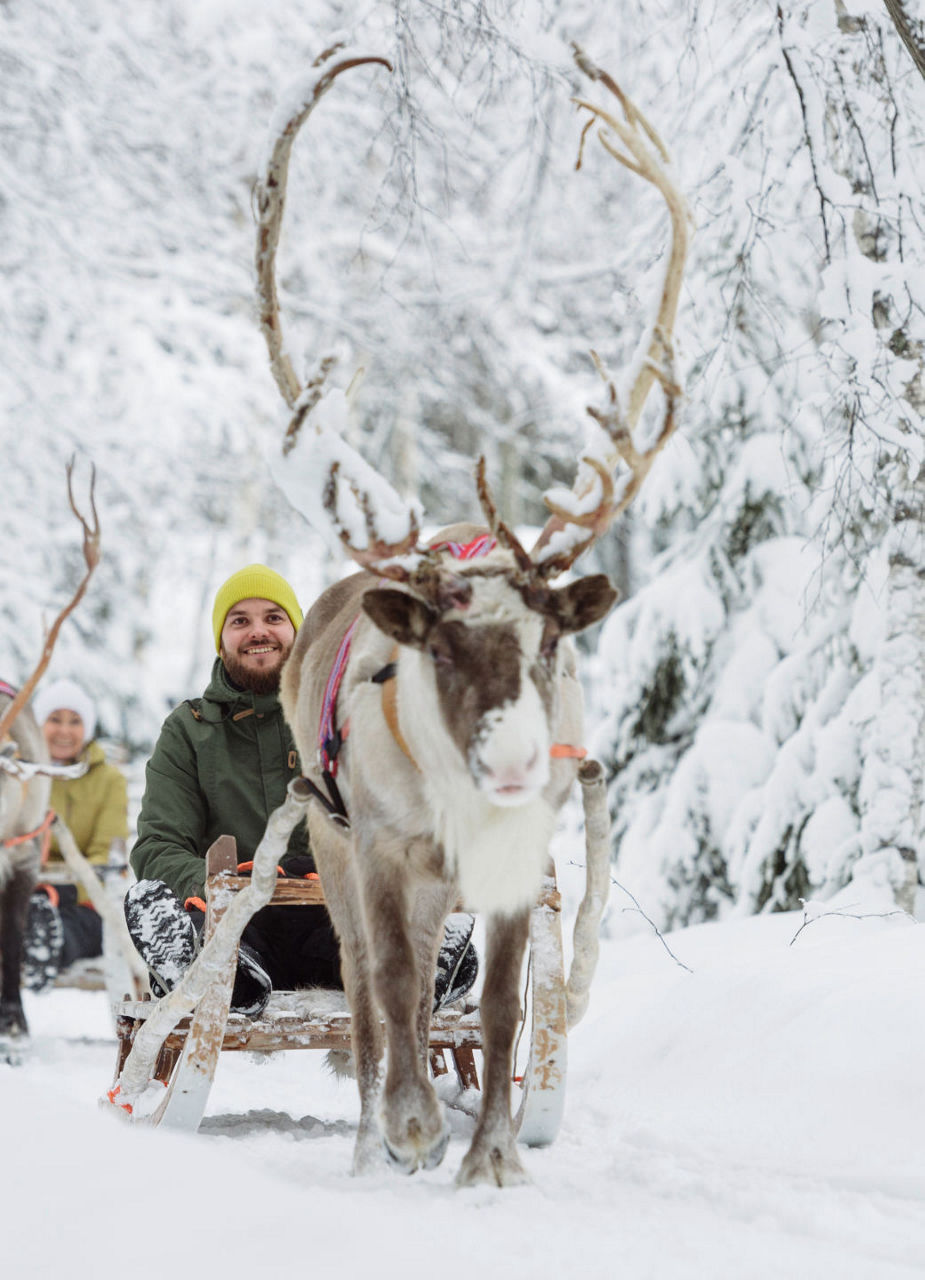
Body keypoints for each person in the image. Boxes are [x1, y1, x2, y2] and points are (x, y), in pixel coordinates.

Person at [125, 564, 477, 1018]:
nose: (258, 632)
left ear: (296, 631)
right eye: (240, 620)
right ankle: (219, 975)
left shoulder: (342, 717)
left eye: (273, 618)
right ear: (221, 639)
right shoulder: (188, 732)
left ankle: (425, 962)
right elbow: (159, 843)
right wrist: (217, 884)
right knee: (153, 901)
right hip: (237, 928)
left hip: (335, 927)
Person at [23, 678, 129, 991]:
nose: (64, 731)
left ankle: (45, 948)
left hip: (83, 900)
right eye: (54, 720)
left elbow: (105, 854)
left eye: (75, 721)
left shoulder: (109, 781)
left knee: (75, 926)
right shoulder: (22, 776)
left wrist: (61, 891)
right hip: (24, 894)